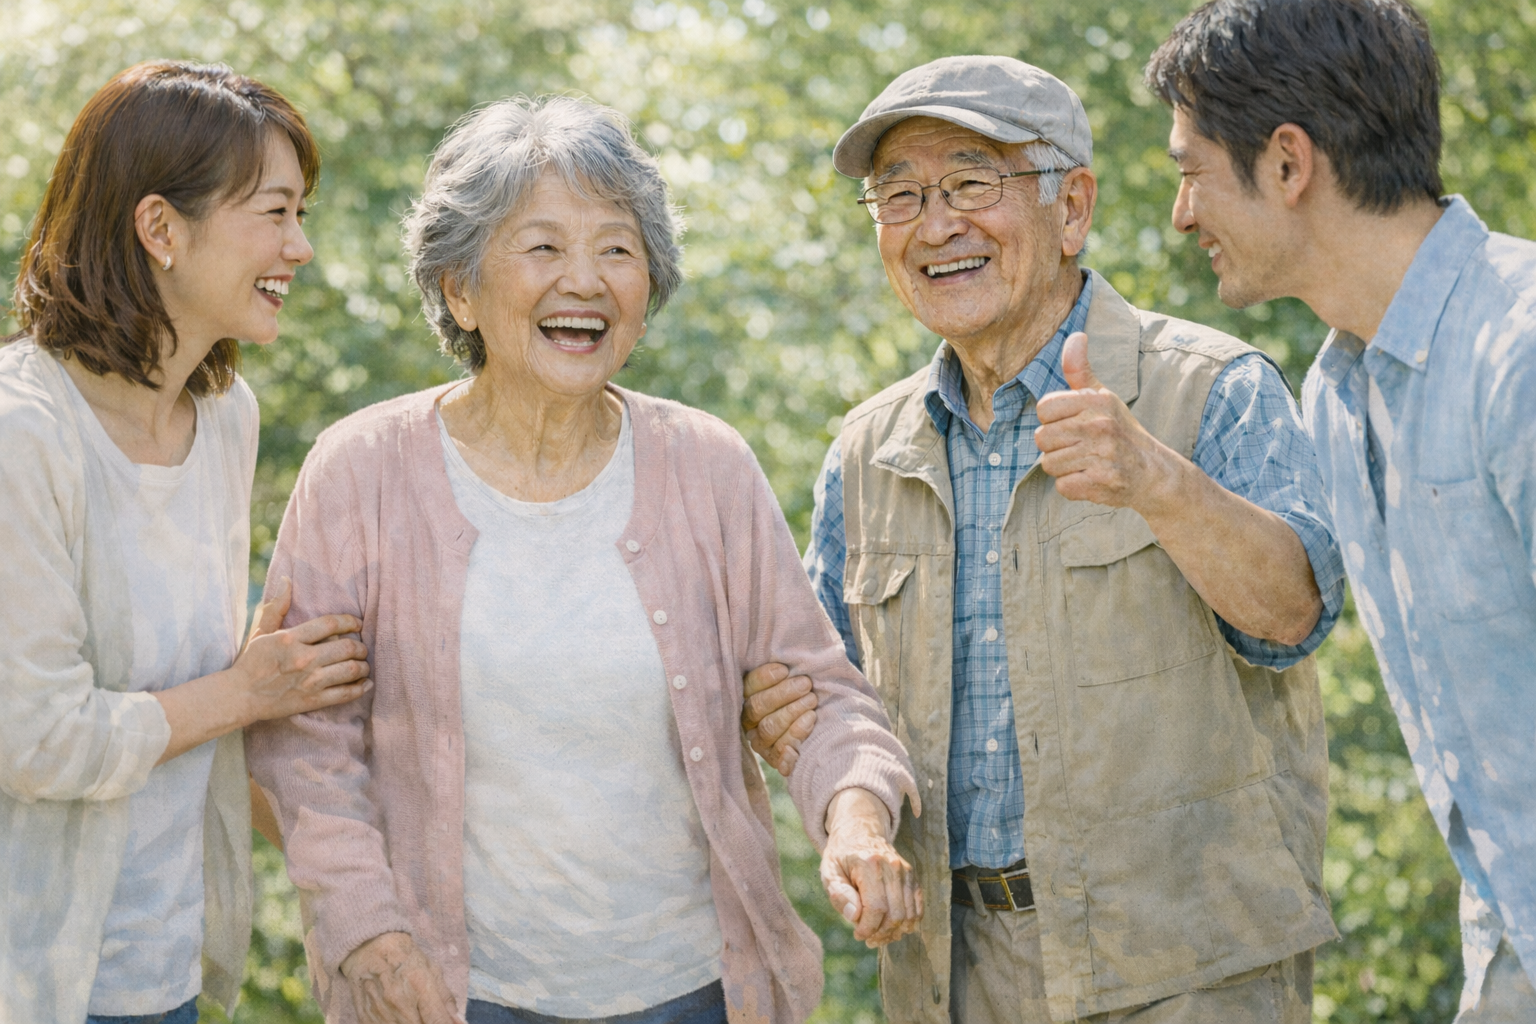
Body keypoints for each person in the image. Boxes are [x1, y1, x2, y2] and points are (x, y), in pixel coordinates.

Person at [245, 95, 921, 1024]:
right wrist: (364, 929)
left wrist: (856, 818)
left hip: (695, 989)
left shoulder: (707, 466)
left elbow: (818, 693)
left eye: (616, 248)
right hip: (446, 991)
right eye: (542, 248)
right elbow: (302, 742)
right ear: (458, 289)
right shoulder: (361, 472)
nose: (587, 280)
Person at [745, 55, 1346, 1023]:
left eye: (972, 184)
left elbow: (1294, 616)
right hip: (947, 975)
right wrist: (842, 806)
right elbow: (829, 700)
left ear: (1072, 207)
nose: (935, 225)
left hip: (1186, 971)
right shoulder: (867, 448)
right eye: (898, 196)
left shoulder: (1210, 386)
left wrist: (1154, 479)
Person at [1146, 0, 1536, 1018]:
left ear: (1287, 163)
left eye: (1191, 172)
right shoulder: (1336, 393)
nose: (1182, 215)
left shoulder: (1521, 354)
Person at [0, 61, 374, 1024]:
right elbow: (35, 739)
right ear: (160, 228)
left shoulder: (225, 417)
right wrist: (248, 690)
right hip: (33, 978)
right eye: (276, 213)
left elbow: (197, 680)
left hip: (167, 971)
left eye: (304, 213)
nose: (302, 245)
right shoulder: (22, 432)